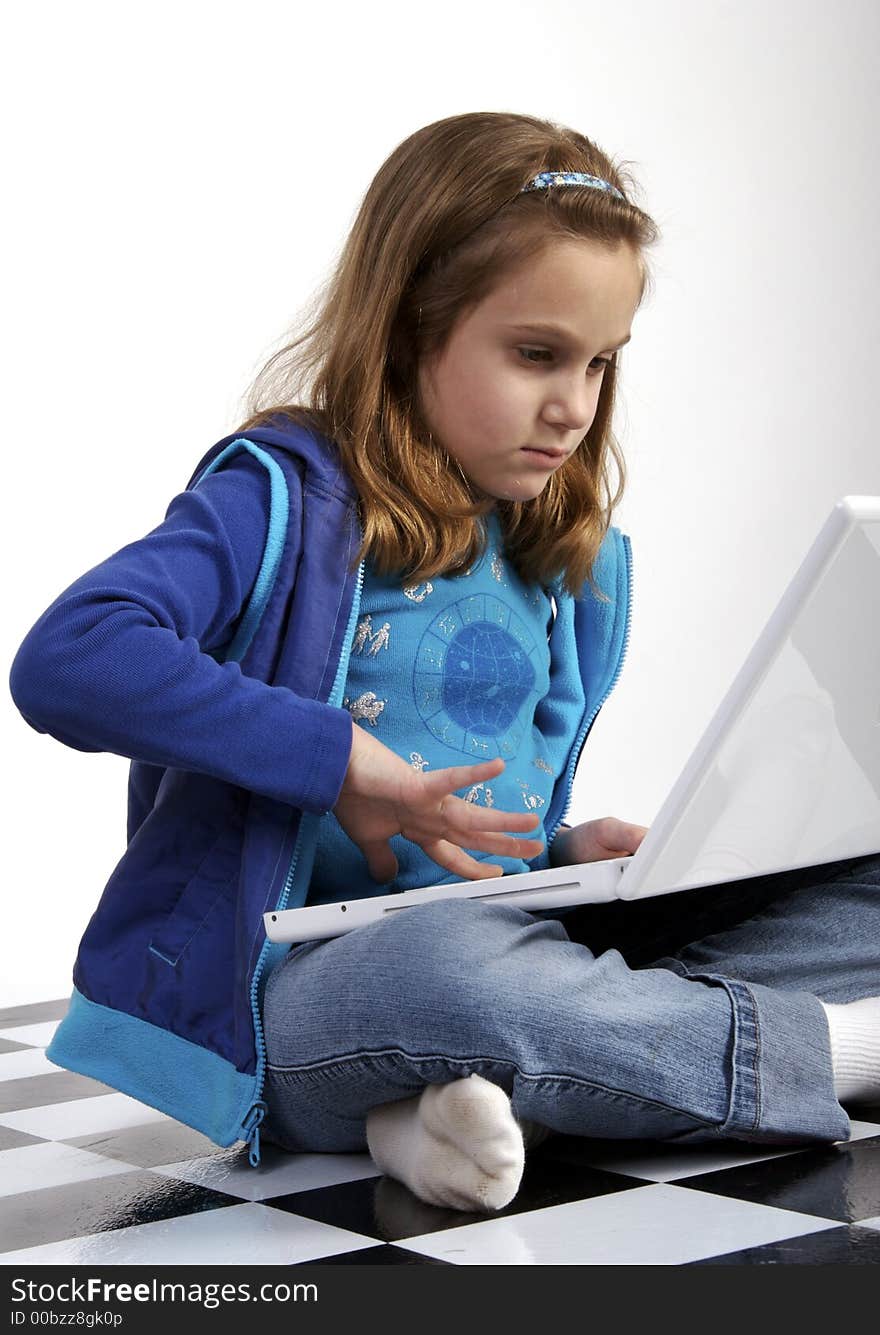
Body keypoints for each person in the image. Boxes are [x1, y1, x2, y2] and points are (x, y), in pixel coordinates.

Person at [9, 112, 879, 1217]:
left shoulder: (552, 549)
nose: (575, 406)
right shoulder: (279, 498)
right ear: (411, 328)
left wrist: (561, 849)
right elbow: (68, 657)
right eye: (535, 355)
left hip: (510, 941)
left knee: (856, 881)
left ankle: (482, 1103)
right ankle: (840, 1050)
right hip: (305, 997)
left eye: (600, 363)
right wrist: (337, 764)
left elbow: (471, 828)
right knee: (449, 975)